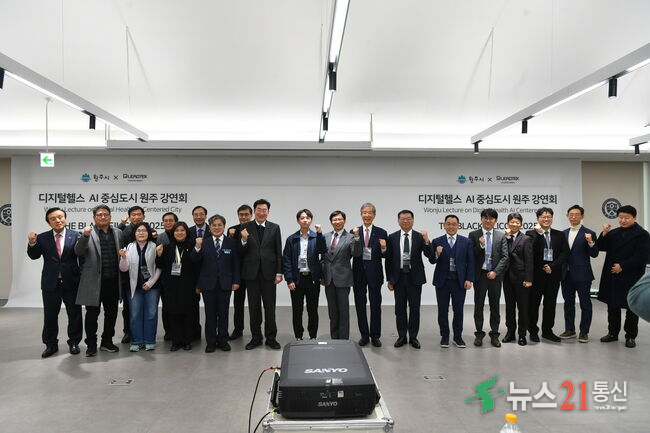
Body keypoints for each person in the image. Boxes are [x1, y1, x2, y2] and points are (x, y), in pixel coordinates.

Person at [27, 207, 83, 357]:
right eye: (53, 219)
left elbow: (82, 257)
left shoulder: (76, 235)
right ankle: (50, 345)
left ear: (65, 218)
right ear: (48, 222)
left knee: (74, 314)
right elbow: (34, 256)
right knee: (50, 315)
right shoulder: (42, 238)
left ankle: (74, 342)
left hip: (72, 282)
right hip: (50, 283)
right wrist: (32, 243)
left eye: (60, 217)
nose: (58, 220)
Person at [597, 205, 650, 348]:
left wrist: (623, 266)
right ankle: (612, 333)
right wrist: (604, 233)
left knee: (631, 308)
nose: (623, 220)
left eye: (626, 218)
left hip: (631, 275)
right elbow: (601, 247)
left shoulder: (642, 234)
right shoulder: (614, 232)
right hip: (613, 275)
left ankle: (630, 336)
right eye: (620, 217)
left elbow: (641, 256)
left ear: (635, 218)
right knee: (612, 306)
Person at [75, 205, 124, 357]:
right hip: (93, 282)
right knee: (92, 315)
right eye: (99, 214)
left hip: (113, 282)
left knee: (111, 314)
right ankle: (91, 345)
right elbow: (78, 251)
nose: (103, 217)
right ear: (94, 217)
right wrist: (85, 236)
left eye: (106, 214)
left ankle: (107, 342)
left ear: (110, 217)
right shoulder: (87, 233)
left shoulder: (118, 233)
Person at [383, 210, 432, 349]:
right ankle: (402, 336)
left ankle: (414, 337)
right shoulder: (392, 237)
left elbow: (429, 255)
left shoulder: (419, 237)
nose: (406, 221)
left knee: (415, 308)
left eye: (408, 218)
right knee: (400, 309)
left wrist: (427, 240)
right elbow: (388, 260)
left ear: (413, 220)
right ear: (398, 221)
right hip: (398, 277)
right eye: (403, 219)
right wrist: (390, 279)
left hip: (414, 277)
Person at [191, 215, 240, 352]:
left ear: (224, 226)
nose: (217, 227)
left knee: (223, 313)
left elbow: (235, 263)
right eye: (214, 225)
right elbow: (195, 261)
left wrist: (236, 281)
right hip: (208, 284)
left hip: (225, 284)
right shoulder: (204, 242)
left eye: (219, 225)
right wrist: (197, 247)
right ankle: (211, 342)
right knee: (210, 314)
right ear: (210, 227)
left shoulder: (231, 243)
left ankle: (223, 341)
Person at [239, 199, 283, 350]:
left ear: (268, 212)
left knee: (270, 308)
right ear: (254, 211)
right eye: (259, 209)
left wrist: (279, 272)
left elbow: (278, 251)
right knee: (254, 308)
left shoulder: (274, 228)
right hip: (251, 274)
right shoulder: (245, 227)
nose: (261, 212)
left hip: (269, 274)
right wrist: (243, 240)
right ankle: (256, 337)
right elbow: (240, 252)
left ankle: (271, 338)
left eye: (264, 210)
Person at [525, 207, 569, 343]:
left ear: (552, 218)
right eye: (543, 217)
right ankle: (533, 331)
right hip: (536, 276)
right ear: (537, 219)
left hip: (553, 275)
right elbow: (529, 252)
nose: (546, 219)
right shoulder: (530, 233)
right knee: (533, 305)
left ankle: (547, 331)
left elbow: (565, 253)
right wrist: (538, 235)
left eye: (549, 216)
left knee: (550, 305)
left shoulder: (559, 235)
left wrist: (553, 266)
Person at [431, 215, 475, 348]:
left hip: (459, 282)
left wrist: (469, 279)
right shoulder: (437, 241)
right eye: (448, 224)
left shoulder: (466, 242)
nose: (451, 226)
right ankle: (444, 336)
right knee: (442, 310)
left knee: (458, 310)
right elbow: (432, 260)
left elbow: (471, 262)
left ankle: (457, 337)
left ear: (458, 226)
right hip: (442, 282)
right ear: (444, 225)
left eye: (454, 224)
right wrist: (437, 254)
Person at [282, 209, 327, 340]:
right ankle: (298, 336)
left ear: (311, 220)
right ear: (298, 221)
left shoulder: (316, 237)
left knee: (313, 309)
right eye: (302, 218)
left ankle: (313, 336)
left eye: (307, 218)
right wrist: (289, 279)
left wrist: (319, 234)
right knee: (297, 310)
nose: (305, 220)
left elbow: (323, 250)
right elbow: (286, 260)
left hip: (312, 279)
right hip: (297, 279)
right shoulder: (292, 239)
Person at [468, 208, 509, 348]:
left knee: (495, 306)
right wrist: (480, 245)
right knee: (478, 305)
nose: (488, 220)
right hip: (480, 275)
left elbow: (505, 257)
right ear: (481, 219)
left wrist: (495, 272)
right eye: (485, 218)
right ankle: (479, 334)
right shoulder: (473, 234)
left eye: (491, 218)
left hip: (495, 276)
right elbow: (470, 255)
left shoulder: (501, 236)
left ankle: (495, 335)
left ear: (495, 220)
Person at [156, 222, 199, 351]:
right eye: (177, 231)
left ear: (186, 232)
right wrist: (159, 255)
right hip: (171, 286)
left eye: (182, 230)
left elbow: (197, 265)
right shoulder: (167, 248)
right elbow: (160, 265)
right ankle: (175, 341)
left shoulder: (193, 246)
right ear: (173, 233)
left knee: (188, 313)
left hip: (189, 286)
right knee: (173, 314)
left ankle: (187, 340)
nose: (179, 233)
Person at [119, 222, 161, 351]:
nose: (141, 233)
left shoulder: (155, 246)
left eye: (144, 230)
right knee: (135, 314)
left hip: (152, 287)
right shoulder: (129, 247)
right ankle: (136, 341)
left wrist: (150, 283)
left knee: (151, 314)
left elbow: (159, 267)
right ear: (134, 233)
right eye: (138, 230)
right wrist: (123, 258)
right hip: (134, 287)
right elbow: (123, 269)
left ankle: (149, 341)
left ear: (148, 233)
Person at [560, 205, 599, 343]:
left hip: (583, 275)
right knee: (568, 303)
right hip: (566, 274)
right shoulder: (563, 233)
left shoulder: (589, 233)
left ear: (582, 216)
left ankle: (584, 332)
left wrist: (591, 242)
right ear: (567, 216)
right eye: (571, 214)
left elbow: (595, 254)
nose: (573, 217)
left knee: (585, 304)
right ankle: (570, 329)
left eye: (577, 214)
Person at [352, 203, 388, 347]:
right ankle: (364, 335)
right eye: (364, 212)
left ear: (374, 215)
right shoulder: (354, 231)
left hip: (375, 273)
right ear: (361, 214)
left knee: (375, 305)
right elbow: (352, 253)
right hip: (358, 273)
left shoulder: (381, 232)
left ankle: (375, 336)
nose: (367, 215)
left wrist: (384, 248)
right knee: (360, 305)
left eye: (369, 212)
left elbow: (386, 255)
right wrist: (355, 238)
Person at [321, 210, 361, 340]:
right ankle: (334, 338)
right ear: (331, 222)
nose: (337, 222)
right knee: (332, 311)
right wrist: (322, 275)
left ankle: (343, 340)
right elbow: (323, 258)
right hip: (328, 279)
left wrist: (357, 238)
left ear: (344, 221)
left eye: (339, 219)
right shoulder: (325, 237)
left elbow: (356, 253)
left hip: (343, 279)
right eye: (334, 220)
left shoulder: (350, 237)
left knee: (343, 311)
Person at [502, 213, 534, 346]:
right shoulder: (504, 238)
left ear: (521, 224)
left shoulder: (526, 239)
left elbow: (529, 260)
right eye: (512, 222)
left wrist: (529, 279)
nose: (514, 224)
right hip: (507, 278)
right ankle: (510, 332)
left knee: (523, 308)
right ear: (507, 223)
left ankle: (522, 335)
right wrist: (506, 238)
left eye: (517, 222)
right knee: (509, 308)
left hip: (522, 279)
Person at [117, 205, 146, 344]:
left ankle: (143, 332)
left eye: (139, 214)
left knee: (145, 305)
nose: (136, 217)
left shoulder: (148, 230)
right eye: (133, 215)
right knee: (128, 307)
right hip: (128, 274)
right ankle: (128, 332)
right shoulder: (124, 232)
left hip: (145, 274)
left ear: (143, 216)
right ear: (129, 217)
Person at [227, 204, 253, 340]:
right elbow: (229, 252)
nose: (243, 217)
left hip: (254, 272)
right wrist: (231, 237)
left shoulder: (256, 229)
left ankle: (256, 332)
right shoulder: (232, 230)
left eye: (246, 214)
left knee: (254, 304)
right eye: (241, 214)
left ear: (251, 215)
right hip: (238, 273)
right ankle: (238, 330)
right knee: (238, 304)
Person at [155, 211, 178, 341]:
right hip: (165, 278)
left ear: (176, 222)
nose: (168, 223)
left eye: (171, 220)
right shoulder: (160, 238)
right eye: (166, 221)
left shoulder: (182, 234)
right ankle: (168, 331)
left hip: (181, 278)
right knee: (167, 306)